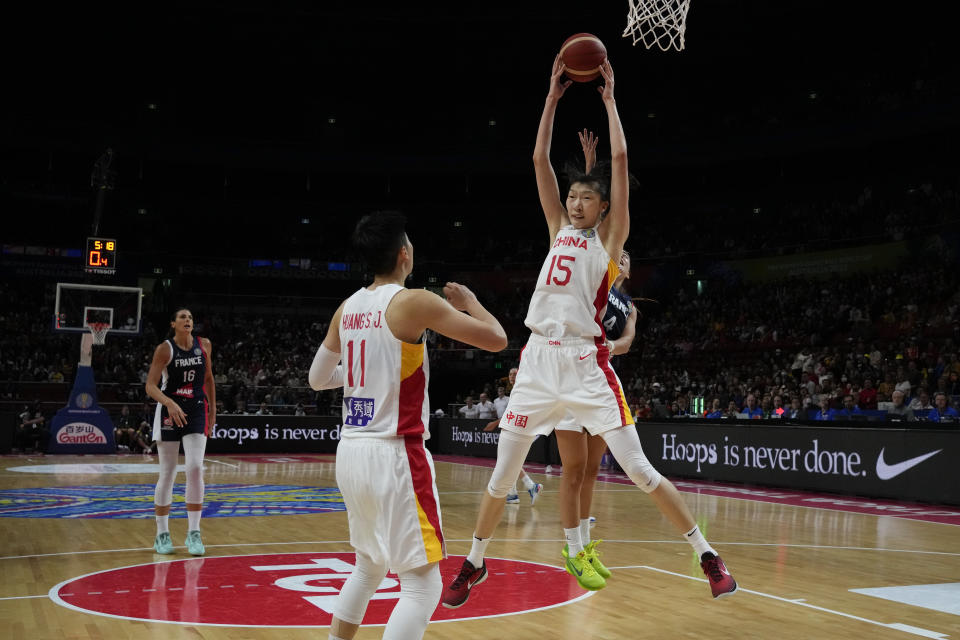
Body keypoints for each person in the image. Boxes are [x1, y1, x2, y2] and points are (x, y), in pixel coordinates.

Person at [442, 56, 736, 608]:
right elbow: (537, 160)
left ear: (604, 208)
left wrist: (608, 99)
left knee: (641, 471)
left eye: (586, 197)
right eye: (571, 195)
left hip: (585, 364)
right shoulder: (557, 226)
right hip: (536, 363)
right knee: (502, 479)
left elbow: (621, 160)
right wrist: (552, 99)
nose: (575, 202)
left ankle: (707, 556)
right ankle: (473, 564)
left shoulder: (611, 243)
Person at [308, 210, 507, 640]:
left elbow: (318, 378)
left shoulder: (348, 307)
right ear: (404, 253)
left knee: (368, 567)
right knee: (422, 586)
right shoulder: (414, 301)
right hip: (394, 453)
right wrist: (470, 302)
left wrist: (364, 374)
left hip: (351, 452)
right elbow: (497, 339)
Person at [145, 308, 215, 557]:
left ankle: (193, 533)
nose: (188, 320)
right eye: (183, 317)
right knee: (168, 472)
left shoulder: (204, 345)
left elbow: (208, 379)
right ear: (173, 323)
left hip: (196, 409)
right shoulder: (165, 349)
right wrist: (169, 403)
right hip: (169, 410)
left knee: (196, 468)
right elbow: (150, 386)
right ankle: (161, 534)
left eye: (191, 318)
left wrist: (213, 411)